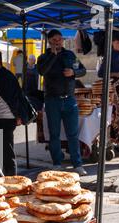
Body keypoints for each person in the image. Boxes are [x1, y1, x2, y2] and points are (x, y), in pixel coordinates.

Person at [36, 29, 88, 176]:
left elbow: (82, 70)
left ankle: (77, 164)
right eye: (55, 40)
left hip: (69, 99)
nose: (58, 42)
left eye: (60, 39)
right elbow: (42, 71)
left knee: (73, 134)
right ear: (49, 41)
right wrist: (53, 55)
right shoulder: (43, 57)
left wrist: (74, 72)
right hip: (52, 100)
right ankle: (57, 163)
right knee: (54, 134)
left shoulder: (70, 55)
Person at [0, 49, 30, 176]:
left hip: (5, 120)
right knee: (1, 155)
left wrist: (18, 116)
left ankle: (12, 182)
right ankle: (6, 181)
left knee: (7, 155)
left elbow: (14, 99)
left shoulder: (6, 77)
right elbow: (0, 100)